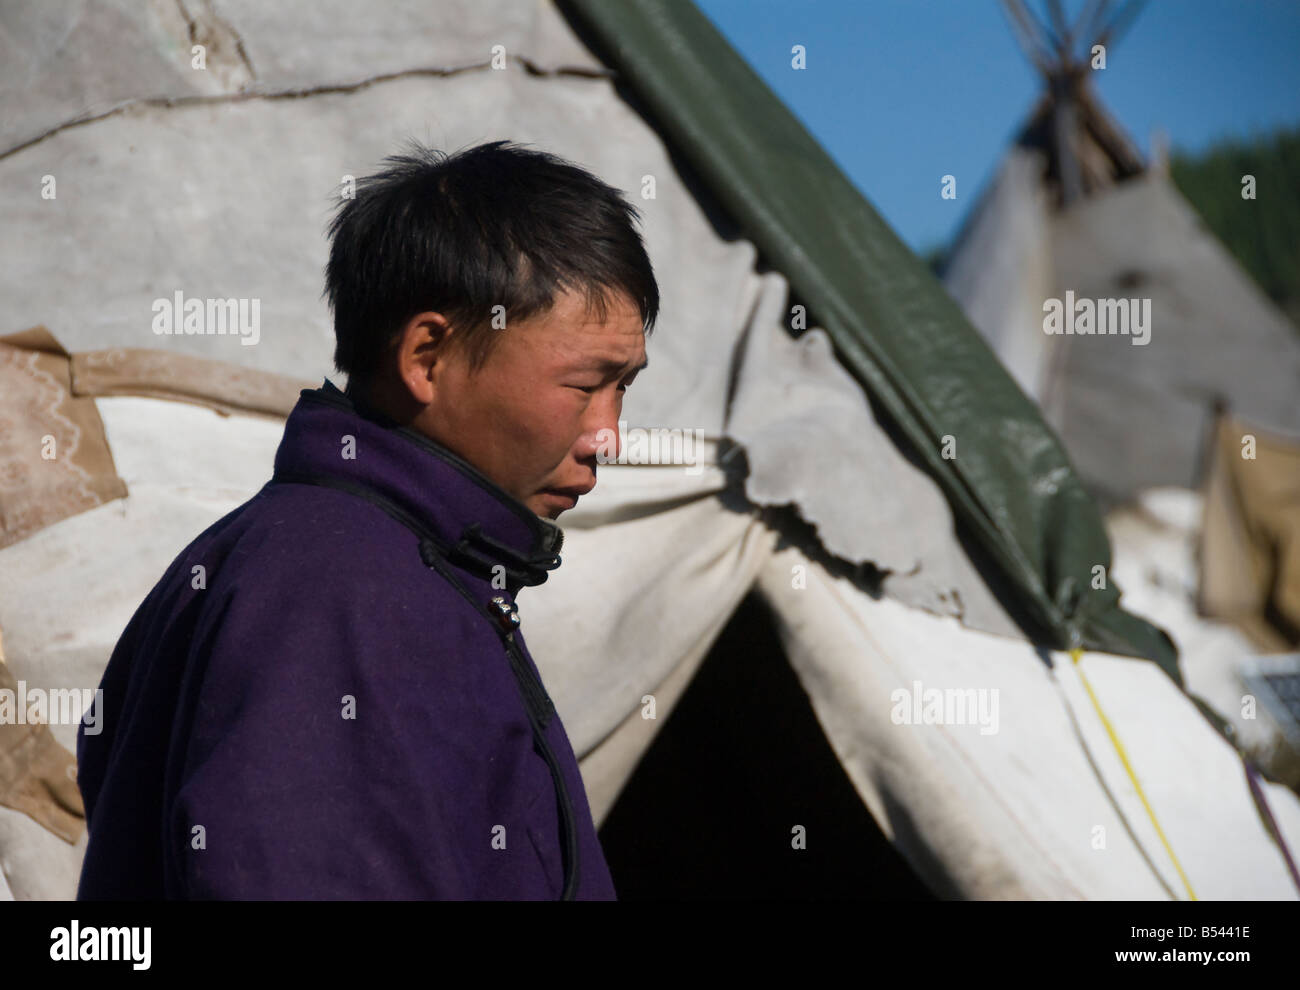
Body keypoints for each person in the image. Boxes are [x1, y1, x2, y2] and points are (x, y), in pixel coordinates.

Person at [75, 139, 658, 899]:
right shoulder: (340, 586)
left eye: (626, 387)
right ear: (427, 357)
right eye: (587, 386)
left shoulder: (396, 568)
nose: (608, 434)